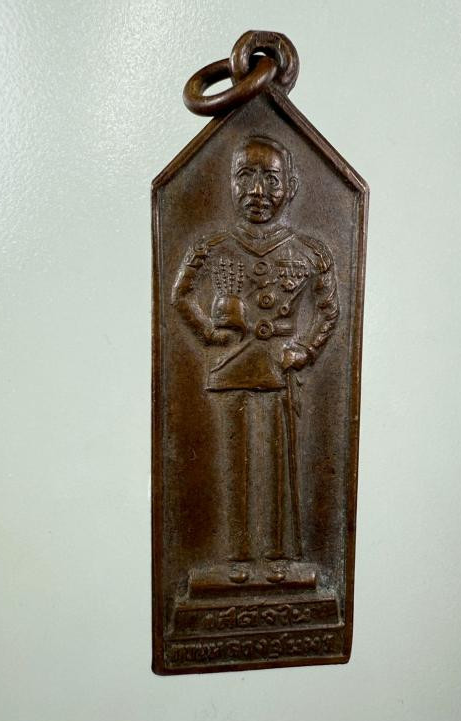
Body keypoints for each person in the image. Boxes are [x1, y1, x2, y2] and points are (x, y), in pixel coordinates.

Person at [172, 135, 339, 585]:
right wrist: (209, 332)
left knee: (278, 462)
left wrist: (305, 349)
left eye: (271, 179)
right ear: (229, 184)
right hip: (232, 367)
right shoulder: (211, 246)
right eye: (245, 176)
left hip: (280, 370)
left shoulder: (310, 251)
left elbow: (329, 310)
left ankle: (279, 557)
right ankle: (239, 558)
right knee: (236, 460)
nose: (258, 191)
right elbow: (180, 295)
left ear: (292, 186)